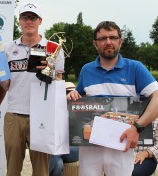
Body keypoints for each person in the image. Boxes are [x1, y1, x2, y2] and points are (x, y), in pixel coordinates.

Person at [67, 21, 158, 176]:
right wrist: (72, 95)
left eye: (113, 37)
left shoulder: (135, 68)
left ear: (120, 42)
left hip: (122, 144)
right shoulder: (87, 70)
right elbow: (79, 100)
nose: (108, 42)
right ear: (95, 44)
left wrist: (137, 127)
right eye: (102, 39)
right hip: (90, 146)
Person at [0, 1, 65, 176]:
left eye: (33, 17)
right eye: (25, 17)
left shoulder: (53, 48)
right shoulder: (8, 48)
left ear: (40, 21)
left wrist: (51, 72)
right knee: (13, 170)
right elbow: (6, 85)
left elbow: (60, 83)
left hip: (42, 115)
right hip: (15, 113)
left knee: (41, 171)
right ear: (19, 21)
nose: (29, 21)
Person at [49, 82, 79, 176]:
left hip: (74, 148)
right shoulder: (54, 111)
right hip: (58, 148)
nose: (68, 96)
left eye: (70, 93)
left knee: (56, 150)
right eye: (65, 92)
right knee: (58, 164)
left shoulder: (79, 111)